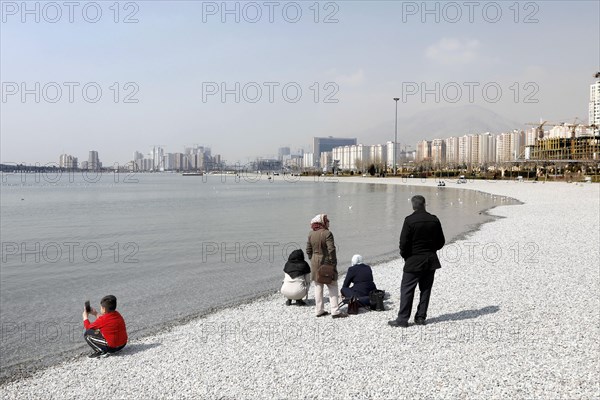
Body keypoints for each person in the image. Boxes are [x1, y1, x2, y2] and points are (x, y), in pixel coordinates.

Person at [389, 195, 445, 328]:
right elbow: (441, 241)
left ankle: (402, 320)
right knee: (425, 289)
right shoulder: (434, 220)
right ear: (425, 204)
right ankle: (420, 317)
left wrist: (406, 256)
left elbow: (403, 243)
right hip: (430, 259)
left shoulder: (409, 220)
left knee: (407, 289)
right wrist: (431, 250)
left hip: (413, 259)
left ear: (413, 206)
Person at [306, 214, 348, 319]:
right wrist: (333, 262)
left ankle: (319, 310)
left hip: (315, 262)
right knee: (332, 285)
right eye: (327, 220)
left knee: (318, 286)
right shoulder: (327, 233)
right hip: (327, 261)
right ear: (322, 222)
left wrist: (313, 258)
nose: (329, 222)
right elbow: (331, 249)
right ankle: (335, 311)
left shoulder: (311, 234)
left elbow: (308, 250)